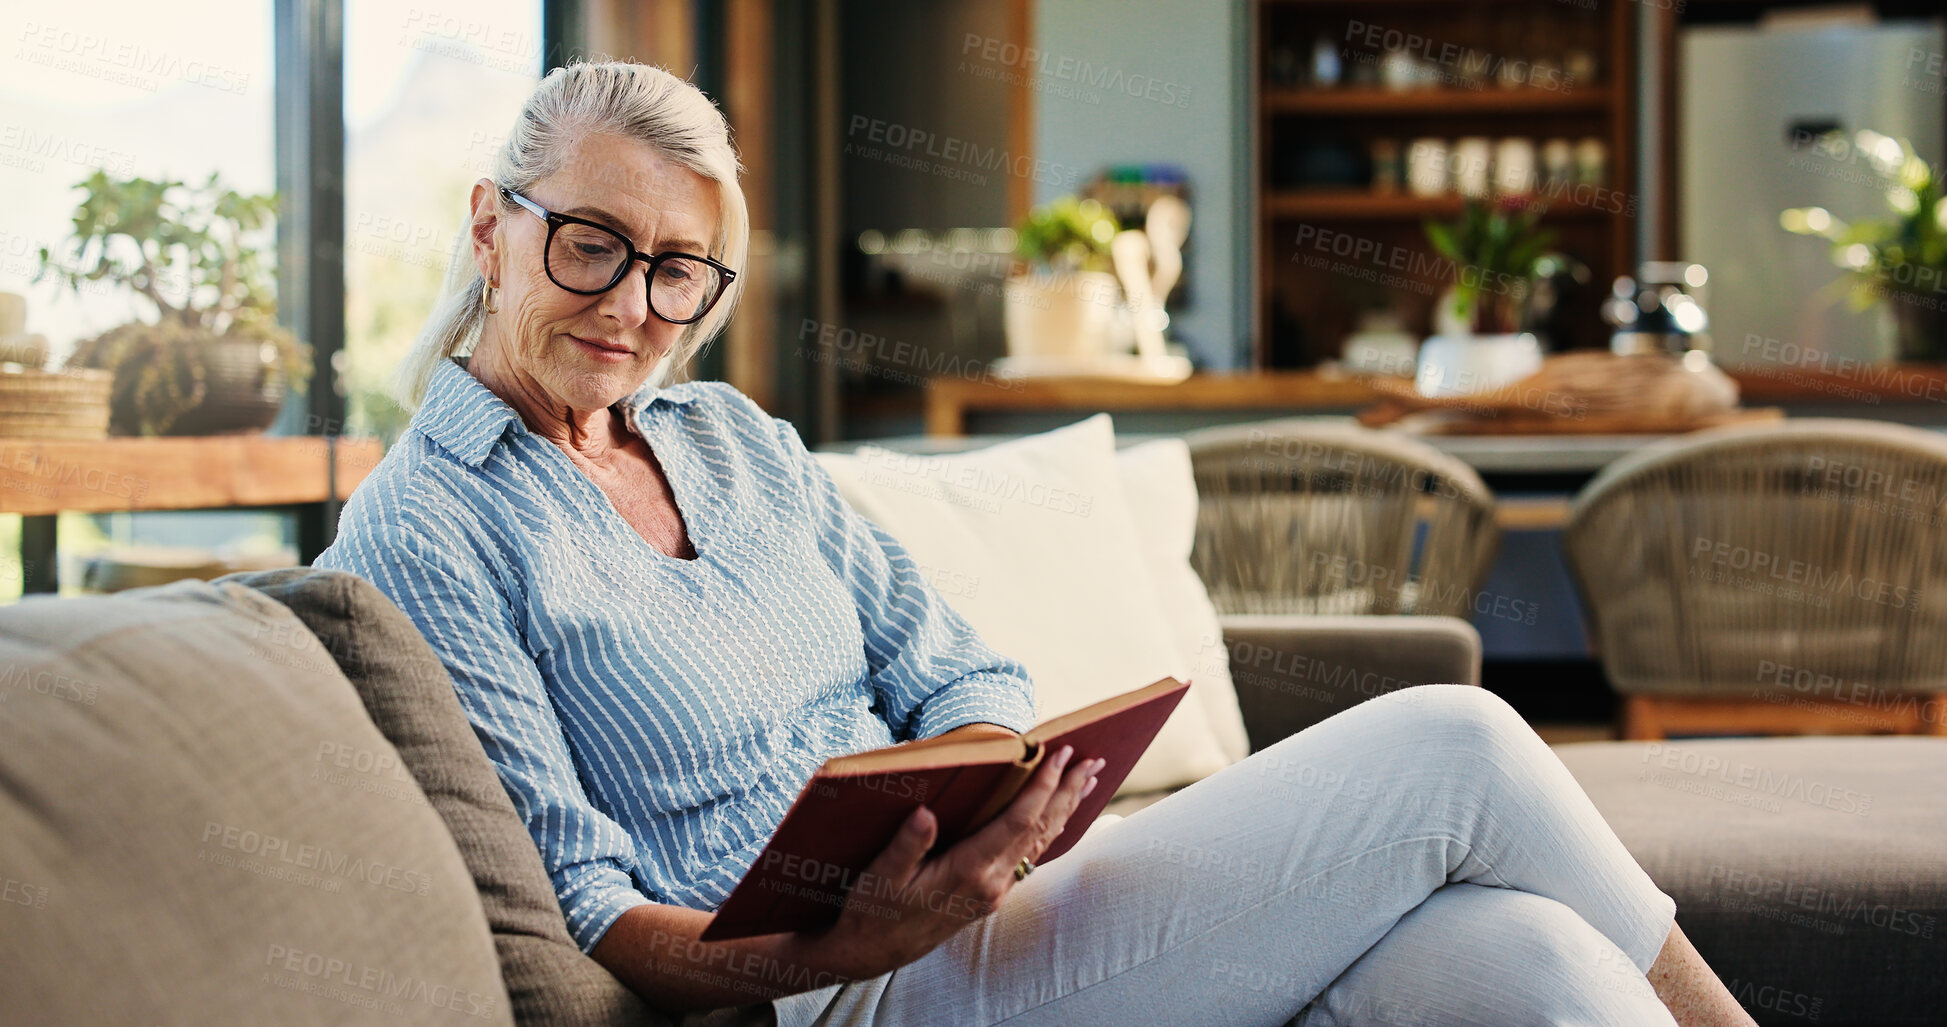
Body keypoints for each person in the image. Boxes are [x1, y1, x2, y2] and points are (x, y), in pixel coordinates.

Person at [317, 60, 1756, 1027]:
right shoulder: (427, 523)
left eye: (678, 269)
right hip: (848, 995)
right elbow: (592, 909)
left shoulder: (731, 440)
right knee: (1460, 746)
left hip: (996, 904)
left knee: (1533, 964)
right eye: (590, 244)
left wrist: (998, 786)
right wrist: (840, 945)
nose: (633, 306)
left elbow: (950, 662)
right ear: (492, 227)